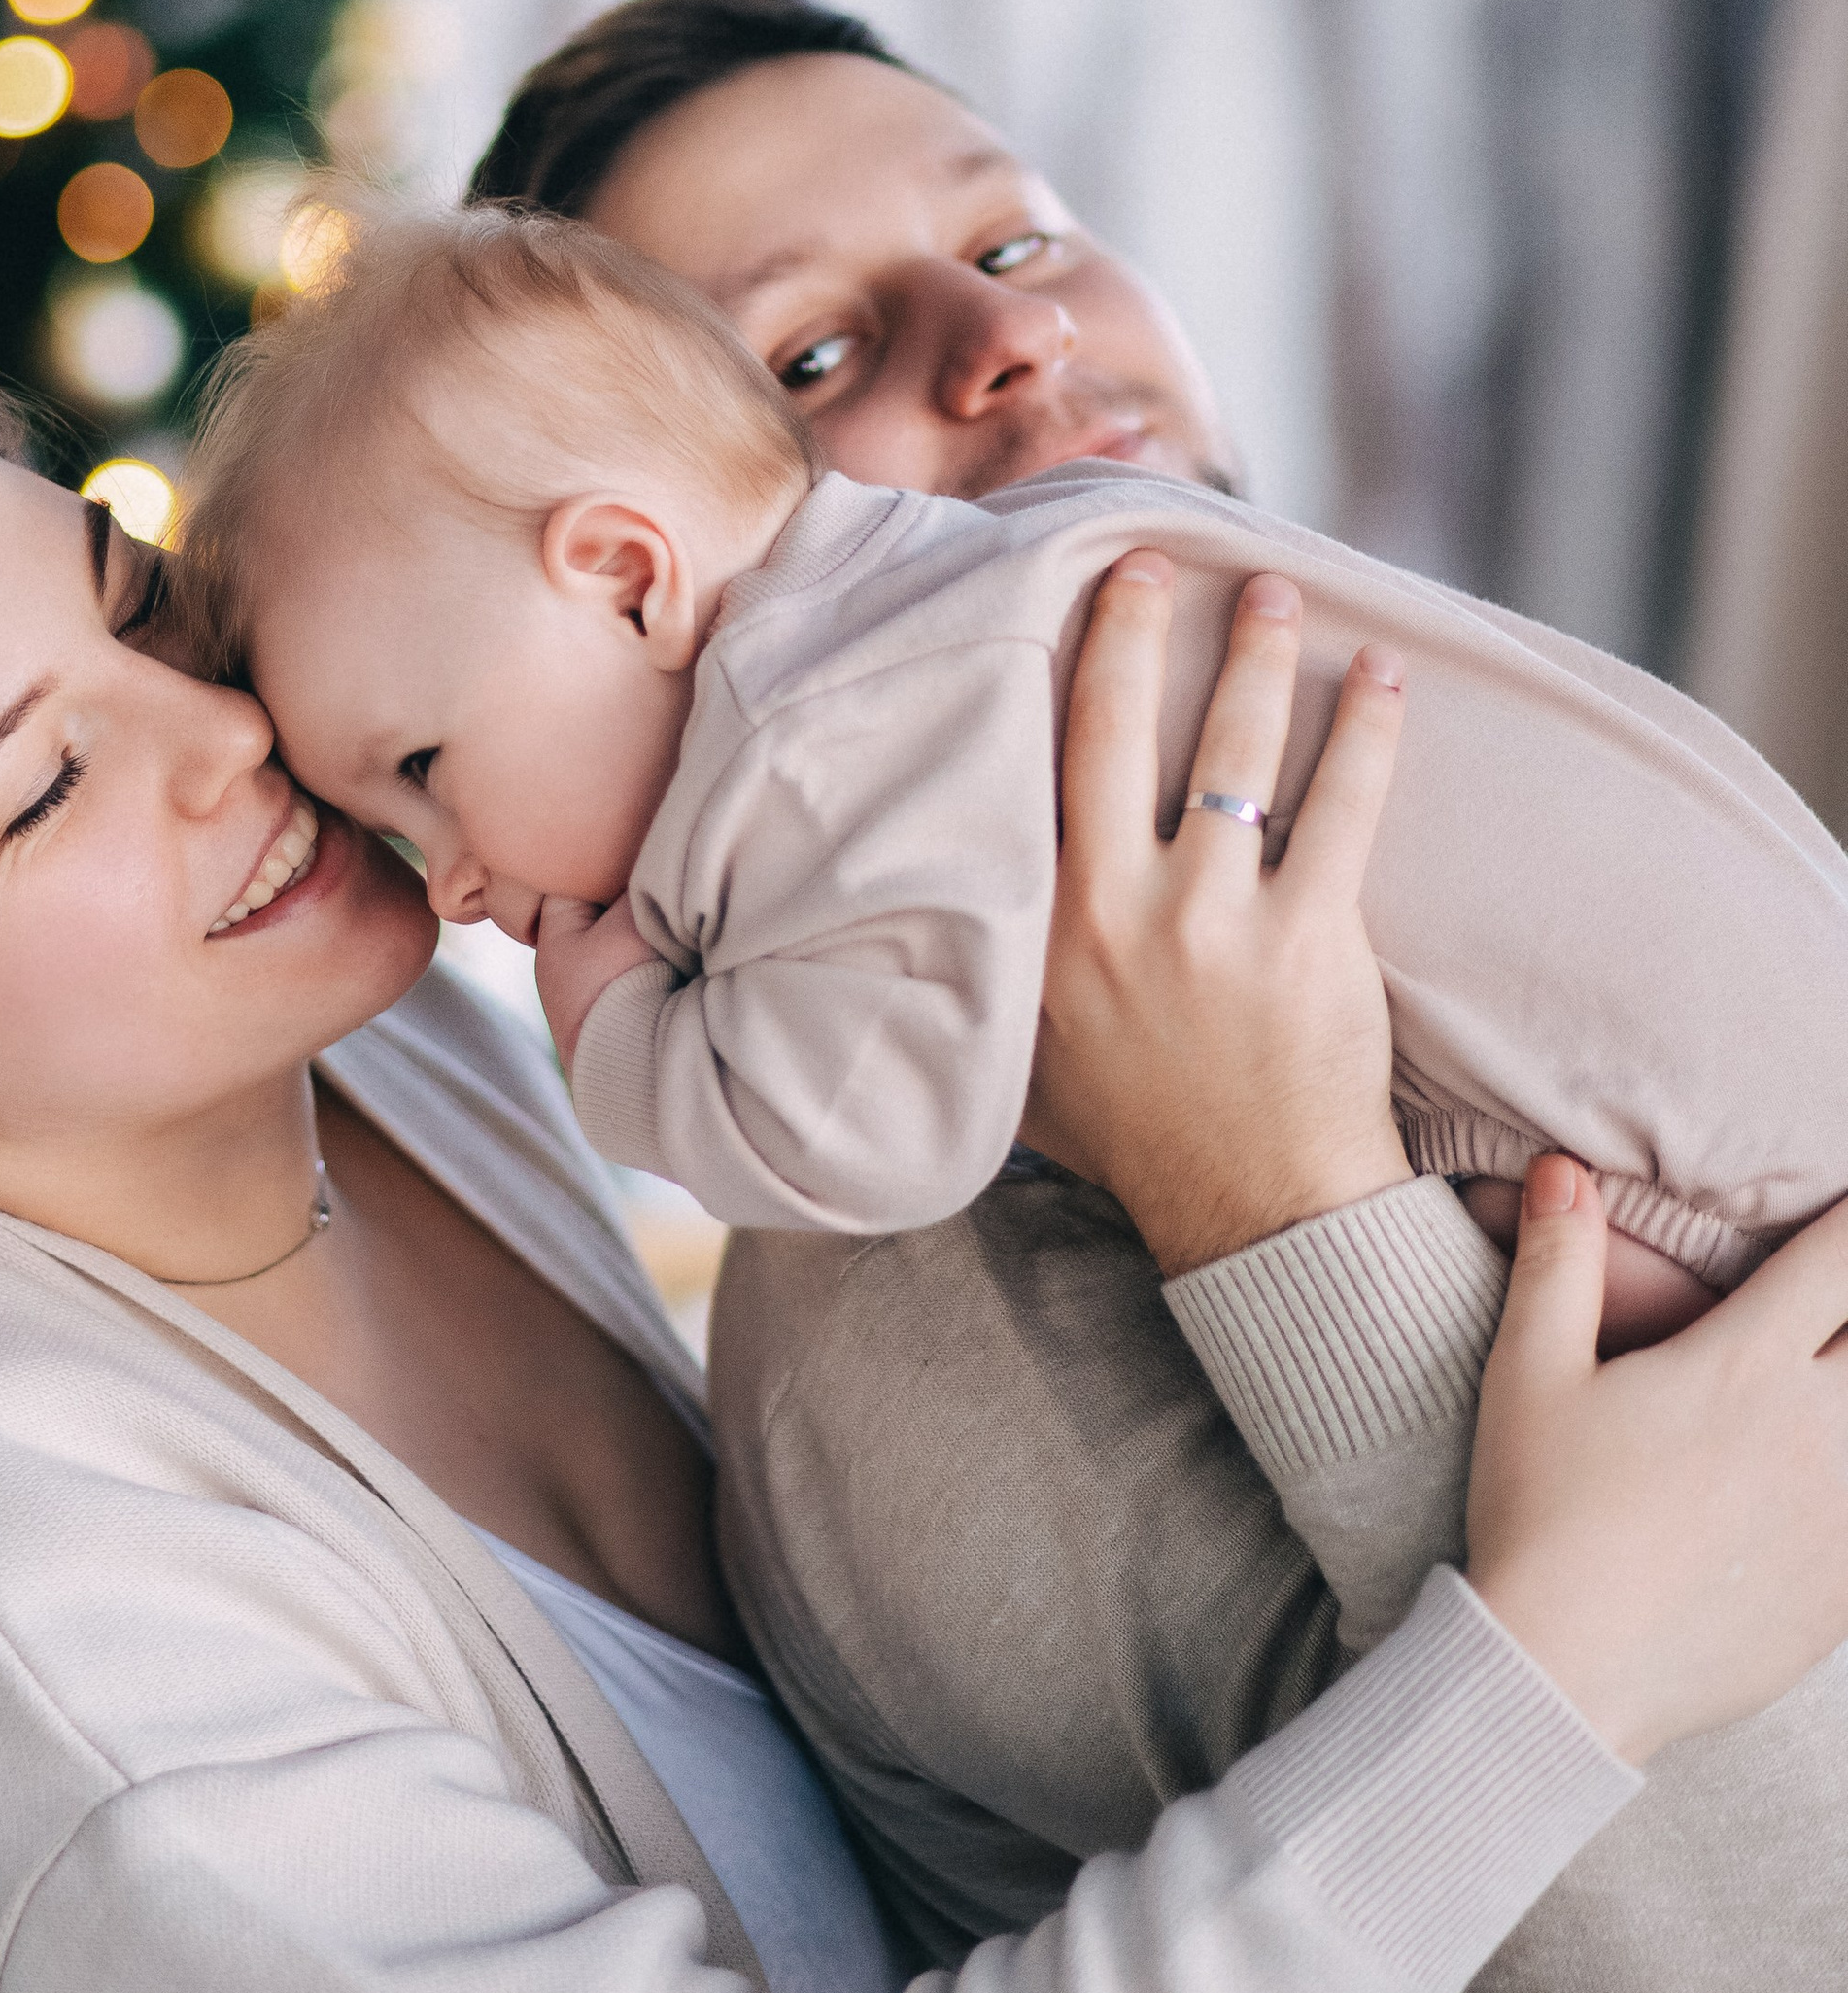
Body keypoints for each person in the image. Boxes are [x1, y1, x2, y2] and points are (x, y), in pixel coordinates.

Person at [0, 362, 1848, 1993]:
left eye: (137, 607)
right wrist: (1556, 1659)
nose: (221, 741)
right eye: (37, 784)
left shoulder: (366, 1045)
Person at [462, 0, 1848, 1993]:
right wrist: (1273, 1208)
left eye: (1018, 234)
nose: (999, 340)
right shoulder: (903, 1313)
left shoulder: (1453, 841)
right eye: (803, 362)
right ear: (644, 593)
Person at [190, 203, 1836, 1344]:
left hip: (1708, 1166)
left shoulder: (821, 726)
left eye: (422, 771)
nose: (454, 881)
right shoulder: (982, 579)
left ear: (629, 577)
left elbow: (874, 1132)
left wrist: (618, 1034)